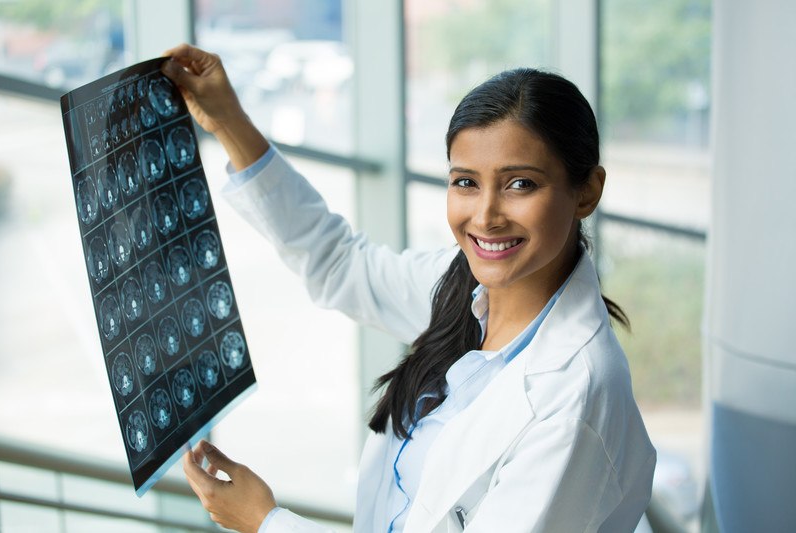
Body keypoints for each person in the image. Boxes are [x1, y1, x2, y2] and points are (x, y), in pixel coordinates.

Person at [162, 43, 656, 533]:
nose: (485, 216)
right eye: (465, 182)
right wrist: (227, 120)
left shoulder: (576, 399)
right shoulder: (460, 287)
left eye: (520, 184)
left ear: (587, 191)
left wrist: (265, 522)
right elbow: (339, 264)